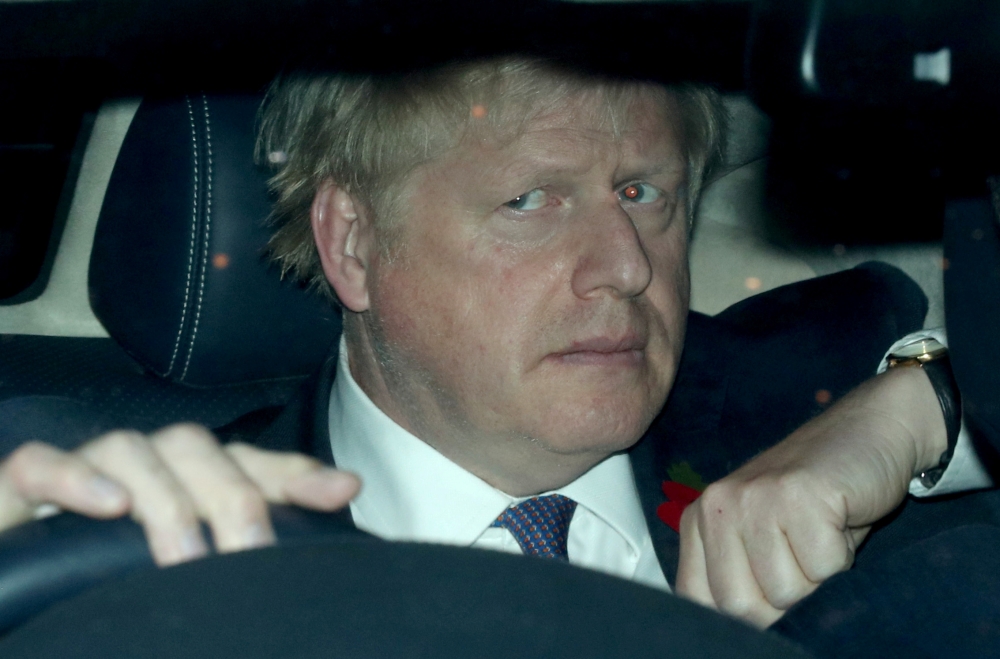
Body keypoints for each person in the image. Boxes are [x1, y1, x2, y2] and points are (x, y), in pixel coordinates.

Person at [0, 57, 991, 636]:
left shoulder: (817, 379)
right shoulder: (163, 526)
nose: (625, 267)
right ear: (353, 242)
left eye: (642, 193)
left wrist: (925, 402)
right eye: (529, 200)